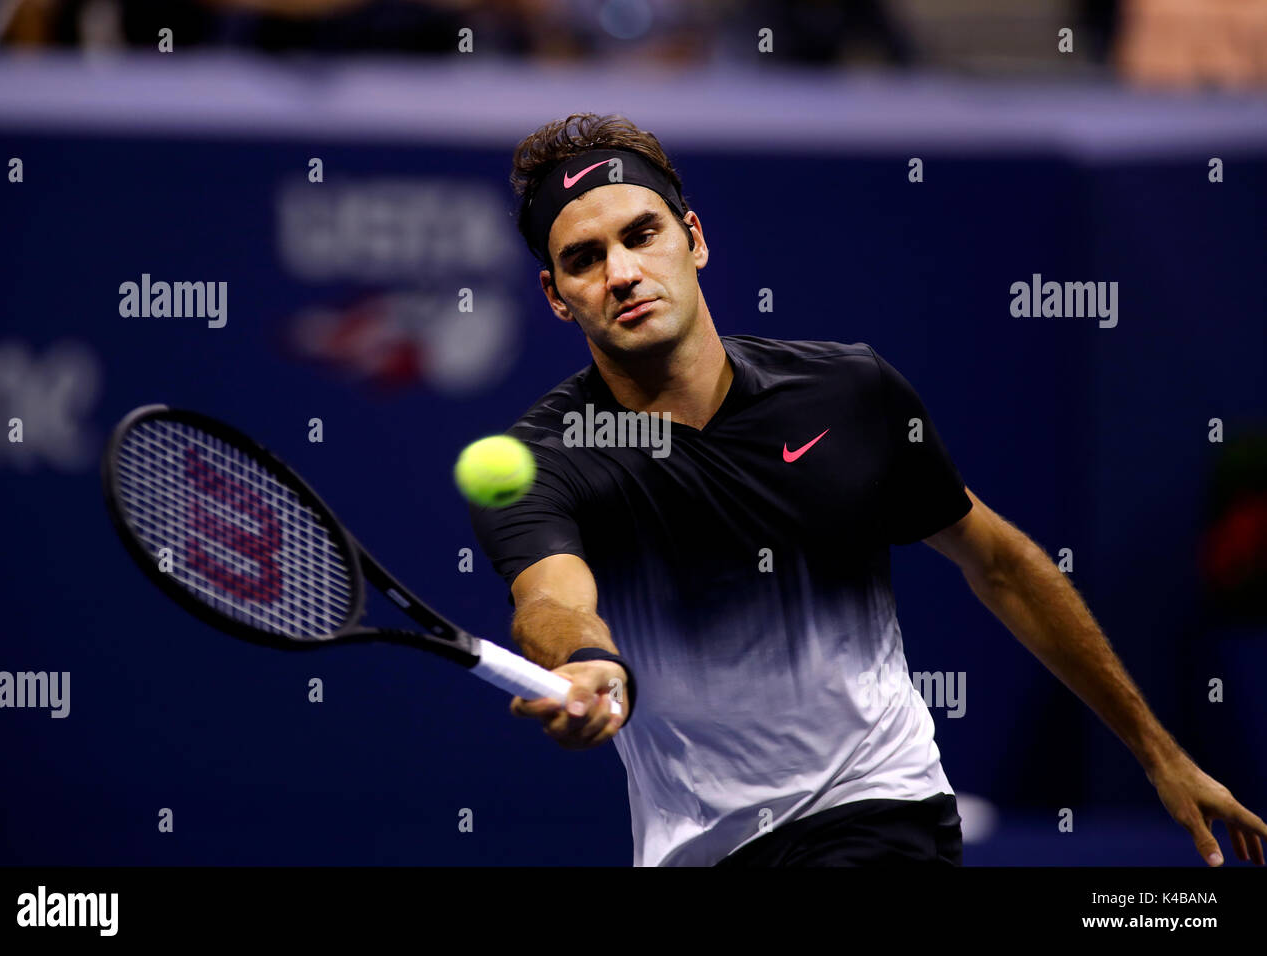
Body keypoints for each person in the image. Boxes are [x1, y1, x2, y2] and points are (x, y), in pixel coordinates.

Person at [469, 112, 1267, 868]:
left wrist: (1160, 754)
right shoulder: (543, 459)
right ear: (554, 293)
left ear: (693, 238)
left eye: (641, 234)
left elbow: (1000, 563)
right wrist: (584, 663)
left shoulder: (847, 391)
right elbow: (551, 600)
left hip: (881, 809)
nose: (623, 272)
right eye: (585, 257)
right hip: (700, 848)